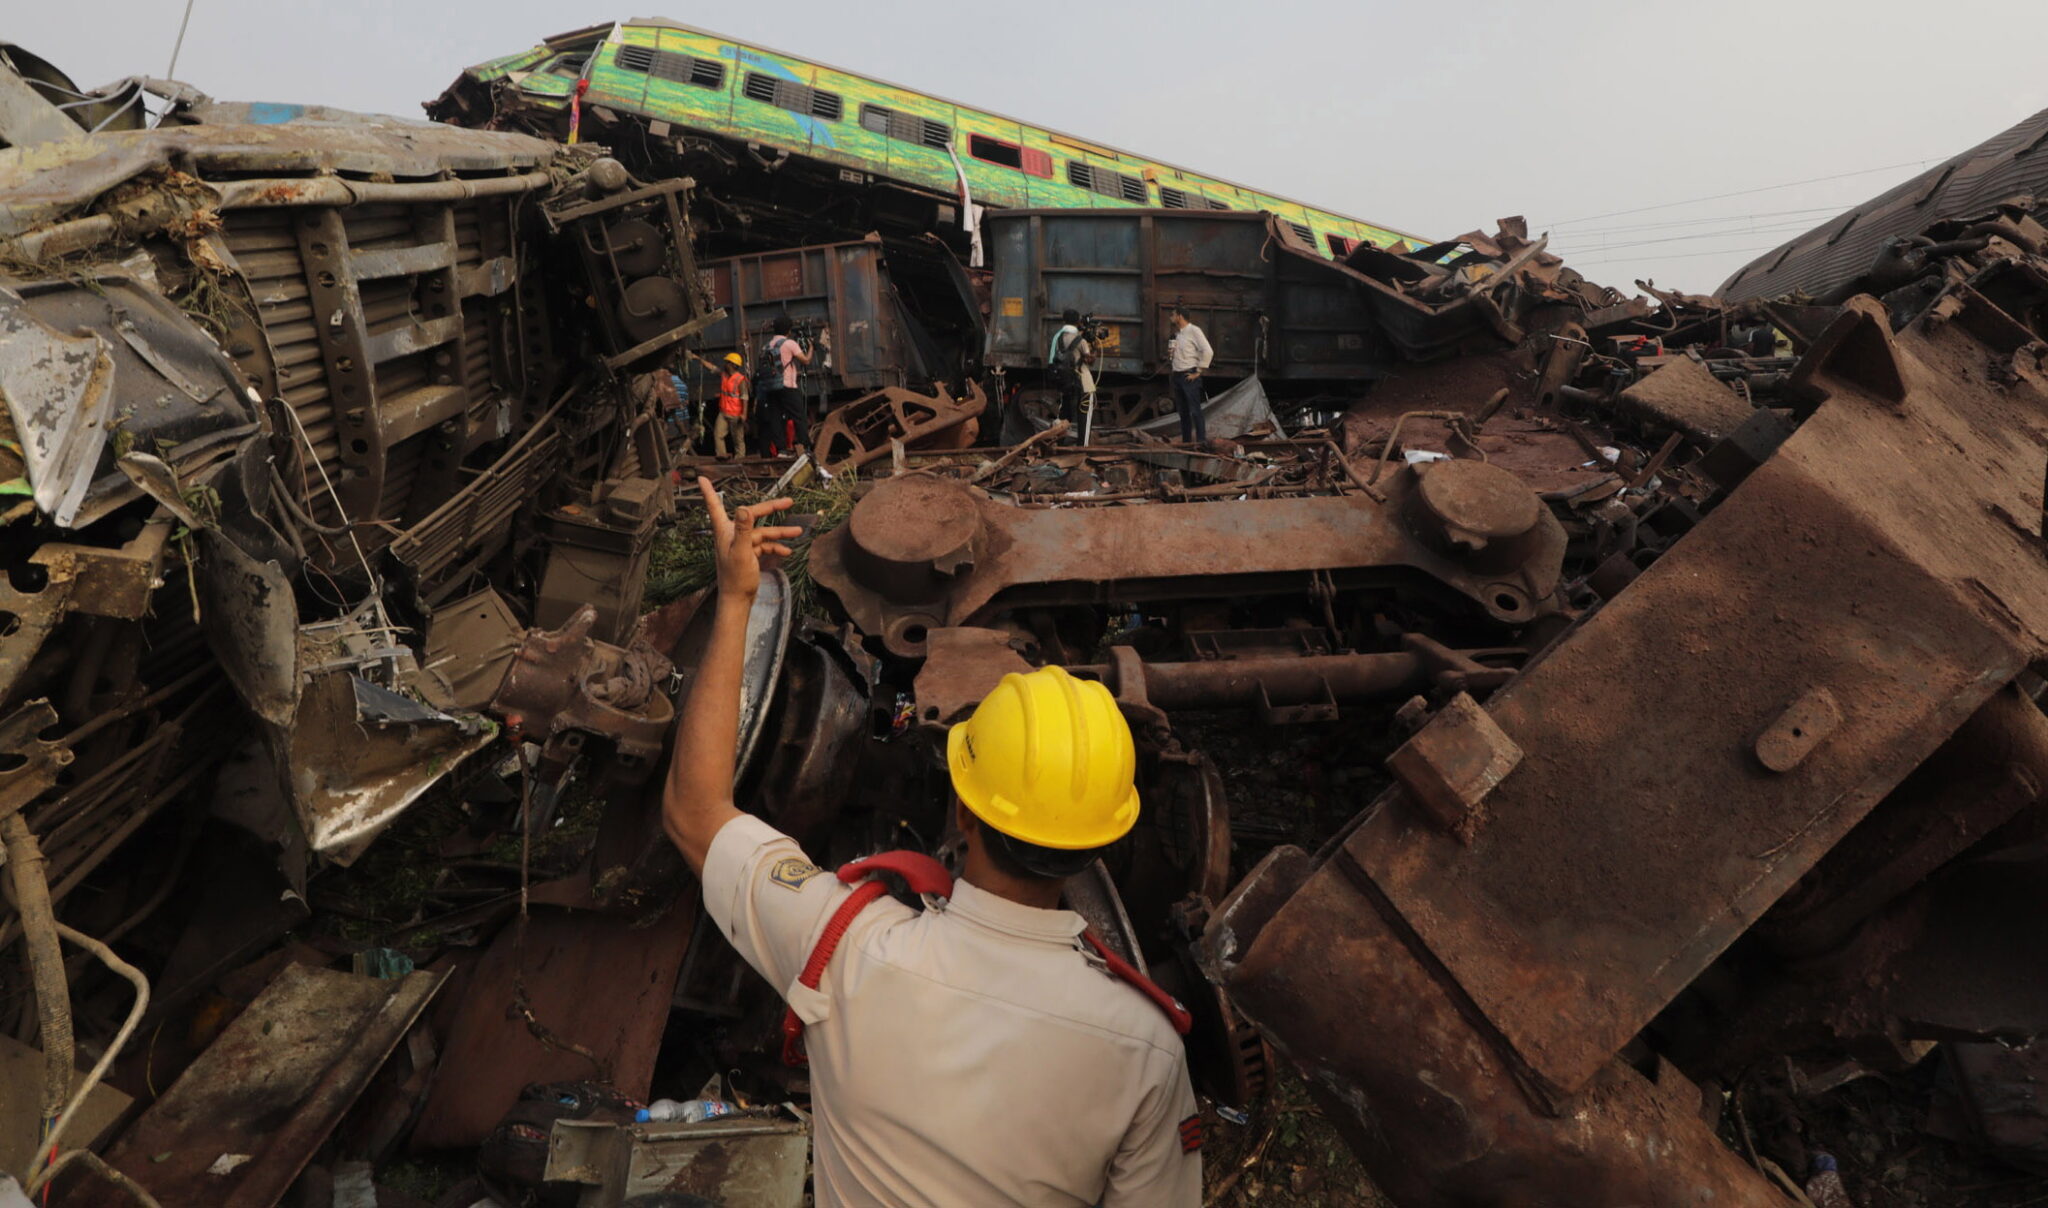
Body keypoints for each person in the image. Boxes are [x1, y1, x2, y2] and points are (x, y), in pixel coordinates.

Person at [663, 479, 1202, 1207]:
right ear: (1102, 842)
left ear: (966, 812)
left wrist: (736, 600)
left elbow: (695, 811)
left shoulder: (843, 944)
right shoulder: (1148, 1050)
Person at [762, 316, 813, 459]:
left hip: (771, 387)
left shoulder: (767, 346)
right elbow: (806, 361)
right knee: (799, 416)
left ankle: (781, 450)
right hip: (787, 386)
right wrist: (811, 348)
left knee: (776, 418)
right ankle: (805, 446)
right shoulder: (789, 343)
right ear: (788, 331)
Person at [1165, 307, 1212, 445]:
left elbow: (1208, 351)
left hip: (1188, 374)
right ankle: (1186, 442)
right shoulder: (1177, 334)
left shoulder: (1194, 331)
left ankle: (1201, 440)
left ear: (1180, 316)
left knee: (1195, 410)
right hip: (1177, 375)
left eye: (1172, 315)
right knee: (1183, 412)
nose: (1170, 317)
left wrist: (1198, 371)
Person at [692, 350, 750, 459]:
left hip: (735, 415)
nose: (725, 364)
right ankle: (722, 456)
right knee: (718, 435)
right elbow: (712, 367)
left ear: (733, 365)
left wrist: (744, 414)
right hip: (723, 413)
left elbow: (745, 398)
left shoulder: (740, 380)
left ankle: (740, 460)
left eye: (728, 362)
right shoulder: (724, 375)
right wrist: (697, 358)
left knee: (738, 440)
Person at [1047, 308, 1095, 440]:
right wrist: (1094, 350)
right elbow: (1089, 360)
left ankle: (1059, 442)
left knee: (1064, 413)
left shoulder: (1057, 338)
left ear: (1064, 320)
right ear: (1078, 321)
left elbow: (1052, 360)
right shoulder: (1080, 340)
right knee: (1084, 414)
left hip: (1066, 382)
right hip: (1083, 382)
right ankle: (1083, 447)